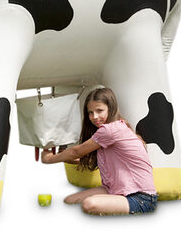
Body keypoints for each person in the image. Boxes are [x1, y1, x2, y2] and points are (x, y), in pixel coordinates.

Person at [40, 87, 158, 215]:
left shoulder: (110, 130)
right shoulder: (113, 130)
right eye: (90, 112)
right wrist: (60, 155)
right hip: (116, 190)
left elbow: (76, 152)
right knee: (69, 200)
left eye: (99, 111)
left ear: (110, 109)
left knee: (89, 204)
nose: (94, 117)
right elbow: (87, 160)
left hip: (141, 197)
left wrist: (50, 159)